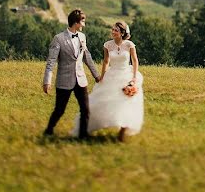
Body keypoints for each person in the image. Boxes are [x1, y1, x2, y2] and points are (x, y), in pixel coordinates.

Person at [73, 21, 144, 141]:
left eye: (115, 30)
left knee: (126, 102)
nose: (113, 32)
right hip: (112, 74)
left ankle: (122, 132)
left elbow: (135, 61)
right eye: (112, 29)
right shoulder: (107, 45)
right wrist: (102, 76)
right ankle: (88, 127)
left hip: (126, 75)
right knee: (102, 101)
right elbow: (106, 61)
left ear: (122, 33)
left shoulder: (129, 45)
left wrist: (134, 77)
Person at [42, 9, 101, 139]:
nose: (84, 25)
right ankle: (49, 130)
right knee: (59, 110)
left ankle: (83, 135)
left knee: (85, 109)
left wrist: (96, 75)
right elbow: (51, 62)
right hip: (64, 80)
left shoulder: (82, 37)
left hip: (81, 80)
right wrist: (47, 81)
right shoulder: (58, 39)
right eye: (83, 21)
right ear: (76, 23)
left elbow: (87, 57)